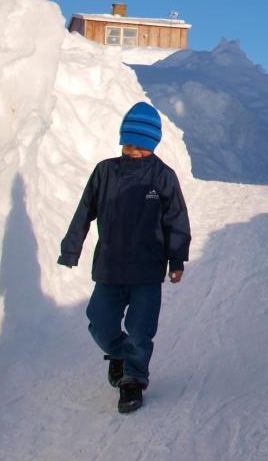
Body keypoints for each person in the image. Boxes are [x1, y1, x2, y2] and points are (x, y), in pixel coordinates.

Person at [58, 102, 191, 414]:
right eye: (129, 145)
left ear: (152, 145)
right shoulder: (105, 172)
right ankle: (120, 355)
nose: (133, 152)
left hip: (147, 271)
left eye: (141, 147)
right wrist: (71, 248)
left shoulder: (163, 177)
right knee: (99, 321)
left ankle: (133, 380)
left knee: (141, 330)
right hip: (110, 268)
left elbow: (176, 220)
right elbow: (84, 213)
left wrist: (177, 259)